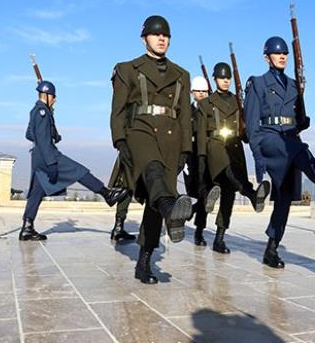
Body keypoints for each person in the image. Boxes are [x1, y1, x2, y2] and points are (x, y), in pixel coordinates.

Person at [244, 36, 315, 269]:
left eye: (285, 54)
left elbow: (298, 121)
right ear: (266, 57)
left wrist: (303, 119)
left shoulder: (293, 85)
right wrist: (258, 159)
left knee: (284, 196)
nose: (282, 57)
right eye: (277, 53)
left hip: (289, 141)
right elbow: (251, 125)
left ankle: (271, 248)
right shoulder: (257, 83)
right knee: (300, 150)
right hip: (270, 139)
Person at [108, 15, 194, 284]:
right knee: (155, 173)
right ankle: (173, 208)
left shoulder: (182, 74)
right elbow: (118, 110)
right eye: (156, 34)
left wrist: (185, 150)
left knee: (156, 202)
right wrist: (120, 140)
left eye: (165, 35)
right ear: (144, 37)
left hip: (171, 137)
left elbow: (183, 117)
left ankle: (144, 261)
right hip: (140, 131)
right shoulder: (127, 69)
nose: (161, 39)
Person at [21, 80, 130, 241]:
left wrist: (53, 134)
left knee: (36, 191)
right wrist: (51, 162)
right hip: (48, 155)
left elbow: (30, 134)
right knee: (78, 171)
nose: (55, 99)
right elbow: (43, 141)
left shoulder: (35, 111)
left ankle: (27, 228)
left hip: (37, 156)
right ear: (46, 95)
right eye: (53, 96)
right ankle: (107, 193)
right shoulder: (43, 112)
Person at [196, 62, 271, 254]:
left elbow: (244, 134)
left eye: (228, 78)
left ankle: (219, 238)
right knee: (229, 171)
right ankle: (252, 194)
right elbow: (202, 136)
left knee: (229, 194)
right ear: (215, 79)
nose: (225, 81)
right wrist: (202, 160)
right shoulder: (206, 104)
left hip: (235, 147)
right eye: (222, 78)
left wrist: (251, 131)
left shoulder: (239, 102)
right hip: (215, 148)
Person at [184, 76, 221, 246]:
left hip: (209, 157)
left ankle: (197, 226)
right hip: (191, 158)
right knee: (199, 193)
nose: (201, 94)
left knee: (206, 195)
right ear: (192, 93)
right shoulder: (186, 112)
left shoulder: (213, 112)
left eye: (204, 91)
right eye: (198, 91)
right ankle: (194, 224)